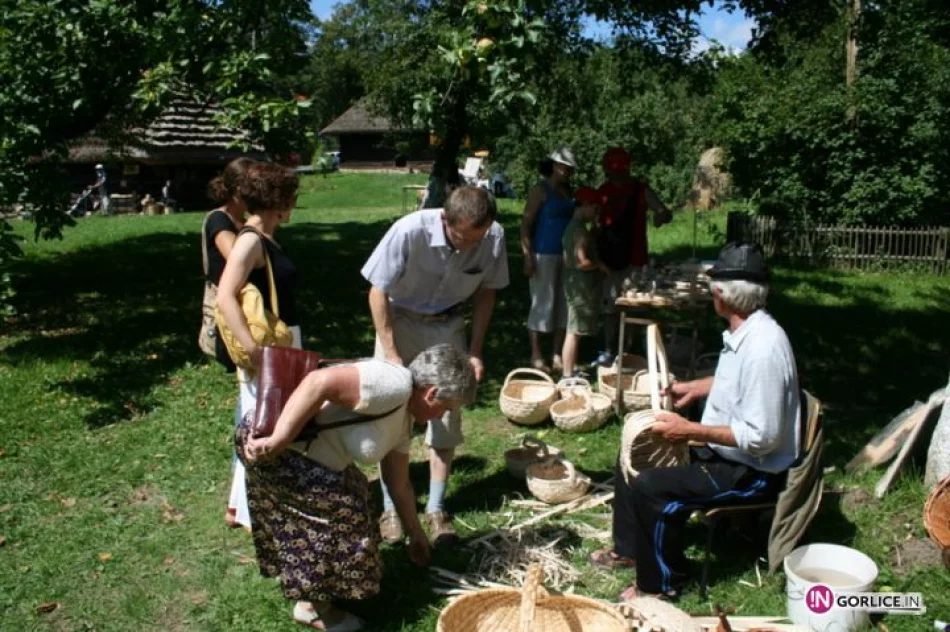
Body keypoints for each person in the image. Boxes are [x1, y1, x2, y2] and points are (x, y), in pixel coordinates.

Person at [591, 242, 801, 600]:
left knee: (652, 487)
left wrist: (689, 431)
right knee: (632, 456)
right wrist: (697, 388)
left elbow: (763, 437)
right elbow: (736, 382)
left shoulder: (764, 348)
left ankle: (662, 583)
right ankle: (630, 550)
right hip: (726, 453)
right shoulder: (746, 331)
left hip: (752, 472)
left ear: (721, 294)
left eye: (712, 287)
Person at [238, 344, 475, 631]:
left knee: (360, 500)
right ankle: (313, 606)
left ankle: (325, 586)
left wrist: (416, 534)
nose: (441, 417)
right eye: (445, 409)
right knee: (344, 515)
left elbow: (398, 483)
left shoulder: (405, 419)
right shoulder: (394, 385)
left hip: (307, 457)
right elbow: (318, 382)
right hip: (279, 452)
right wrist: (278, 439)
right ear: (431, 393)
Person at [361, 186, 509, 546]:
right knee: (391, 411)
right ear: (445, 219)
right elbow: (377, 291)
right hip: (401, 320)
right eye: (462, 239)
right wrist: (393, 354)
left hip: (447, 324)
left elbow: (488, 291)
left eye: (477, 239)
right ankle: (390, 509)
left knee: (447, 413)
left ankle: (437, 508)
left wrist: (475, 350)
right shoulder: (409, 230)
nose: (469, 248)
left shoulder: (493, 237)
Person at [216, 161, 301, 531]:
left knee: (264, 420)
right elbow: (224, 297)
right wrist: (253, 351)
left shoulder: (262, 237)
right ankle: (258, 512)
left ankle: (246, 508)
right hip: (270, 348)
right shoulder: (250, 240)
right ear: (279, 202)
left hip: (283, 341)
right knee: (265, 423)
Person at [203, 158, 254, 527]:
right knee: (247, 408)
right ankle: (236, 503)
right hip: (232, 322)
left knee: (247, 406)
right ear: (237, 189)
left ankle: (238, 501)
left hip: (246, 318)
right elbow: (241, 261)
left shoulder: (240, 222)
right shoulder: (220, 221)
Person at [595, 147, 673, 367]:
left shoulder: (608, 191)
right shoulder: (637, 189)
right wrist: (661, 216)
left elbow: (596, 226)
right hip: (625, 257)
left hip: (618, 258)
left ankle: (619, 350)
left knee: (619, 305)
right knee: (625, 304)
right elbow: (663, 212)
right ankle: (622, 349)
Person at [520, 147, 578, 373]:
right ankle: (536, 353)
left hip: (568, 255)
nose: (567, 171)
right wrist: (527, 255)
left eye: (570, 168)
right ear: (553, 165)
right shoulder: (540, 190)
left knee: (564, 304)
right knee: (541, 302)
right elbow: (526, 224)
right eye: (564, 166)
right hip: (543, 253)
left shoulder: (568, 192)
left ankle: (556, 353)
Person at [560, 186, 609, 378]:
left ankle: (569, 370)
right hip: (580, 286)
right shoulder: (579, 231)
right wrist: (599, 265)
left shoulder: (573, 227)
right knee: (574, 331)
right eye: (595, 209)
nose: (596, 213)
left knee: (574, 329)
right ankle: (567, 374)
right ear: (586, 205)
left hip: (573, 284)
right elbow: (581, 262)